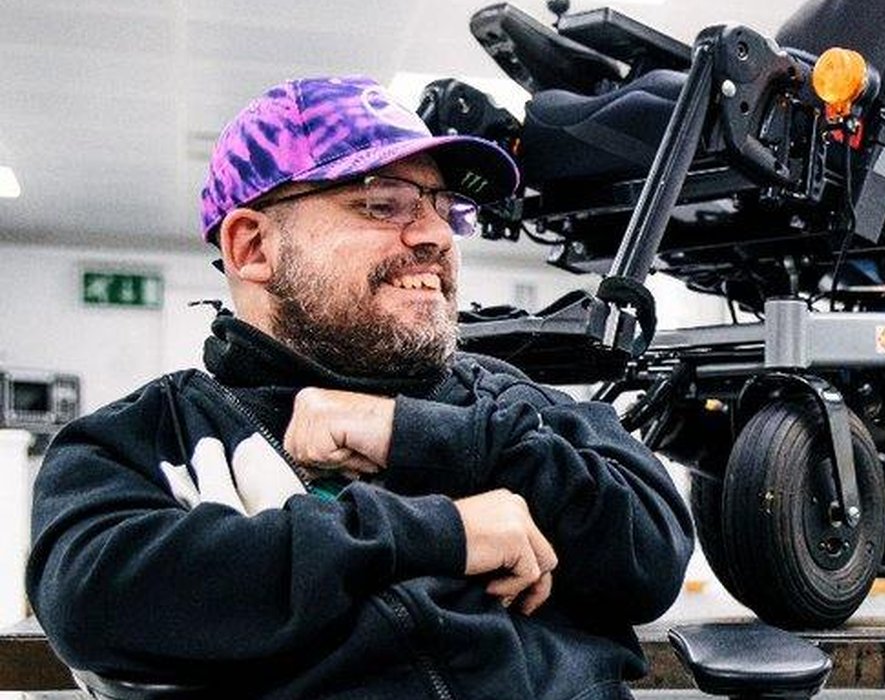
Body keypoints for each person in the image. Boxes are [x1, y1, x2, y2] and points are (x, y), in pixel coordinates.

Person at [26, 75, 694, 699]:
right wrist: (442, 532)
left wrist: (416, 435)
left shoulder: (510, 407)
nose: (435, 235)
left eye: (445, 208)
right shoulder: (149, 437)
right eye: (382, 202)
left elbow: (651, 552)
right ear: (252, 248)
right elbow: (91, 598)